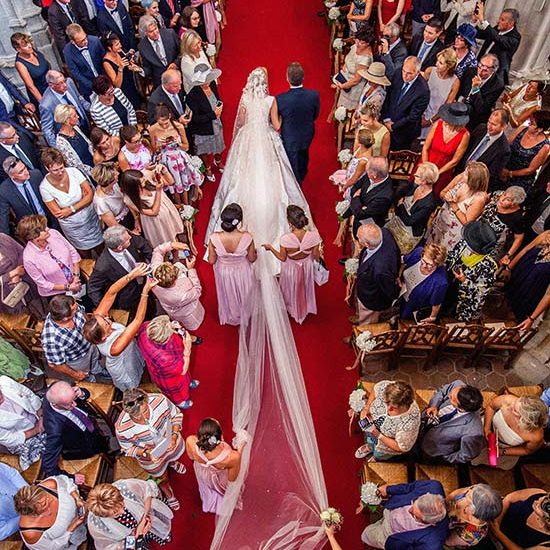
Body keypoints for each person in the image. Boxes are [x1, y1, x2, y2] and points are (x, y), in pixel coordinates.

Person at [115, 388, 186, 509]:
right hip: (150, 456)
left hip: (170, 441)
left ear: (147, 401)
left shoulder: (160, 400)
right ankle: (169, 494)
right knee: (161, 476)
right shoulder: (122, 428)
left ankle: (172, 463)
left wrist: (174, 436)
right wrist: (146, 453)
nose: (143, 418)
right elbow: (127, 449)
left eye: (145, 411)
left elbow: (176, 415)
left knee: (172, 456)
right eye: (137, 417)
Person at [83, 269, 153, 390]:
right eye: (106, 323)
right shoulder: (114, 348)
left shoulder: (97, 321)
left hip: (131, 349)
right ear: (103, 337)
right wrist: (145, 292)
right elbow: (137, 320)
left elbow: (111, 292)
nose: (107, 318)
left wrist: (131, 275)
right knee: (136, 383)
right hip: (124, 366)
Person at [263, 205, 322, 324]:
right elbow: (316, 256)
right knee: (304, 286)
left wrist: (271, 249)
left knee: (291, 288)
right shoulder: (314, 236)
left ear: (290, 222)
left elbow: (282, 258)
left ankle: (292, 307)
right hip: (306, 267)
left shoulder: (285, 239)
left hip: (291, 268)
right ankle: (304, 307)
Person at [39, 148, 103, 255]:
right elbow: (58, 213)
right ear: (47, 168)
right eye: (55, 170)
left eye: (61, 168)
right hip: (74, 229)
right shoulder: (44, 187)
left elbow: (90, 194)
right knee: (84, 254)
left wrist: (70, 209)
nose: (60, 172)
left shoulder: (74, 172)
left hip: (91, 219)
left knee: (102, 248)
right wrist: (83, 201)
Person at [42, 381, 110, 476]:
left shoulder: (56, 388)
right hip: (82, 445)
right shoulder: (55, 429)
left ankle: (106, 447)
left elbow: (85, 394)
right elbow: (48, 466)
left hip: (89, 426)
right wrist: (71, 477)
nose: (74, 405)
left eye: (73, 399)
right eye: (69, 404)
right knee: (98, 447)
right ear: (55, 404)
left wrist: (81, 393)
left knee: (101, 441)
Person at [207, 203, 257, 325]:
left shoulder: (214, 238)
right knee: (244, 292)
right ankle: (245, 312)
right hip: (242, 270)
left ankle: (233, 313)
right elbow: (251, 259)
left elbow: (211, 261)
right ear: (238, 221)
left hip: (224, 271)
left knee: (229, 292)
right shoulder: (247, 237)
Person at [86, 479, 173, 548]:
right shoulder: (96, 525)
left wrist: (145, 515)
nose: (123, 511)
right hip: (131, 538)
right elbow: (109, 546)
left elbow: (147, 492)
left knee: (158, 527)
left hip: (147, 514)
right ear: (104, 516)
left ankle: (164, 535)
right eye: (116, 514)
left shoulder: (125, 487)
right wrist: (135, 536)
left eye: (122, 504)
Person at [361, 480, 448, 548]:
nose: (409, 510)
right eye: (413, 503)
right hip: (392, 507)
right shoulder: (433, 486)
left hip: (392, 533)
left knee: (366, 534)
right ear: (427, 494)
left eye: (415, 516)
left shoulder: (433, 543)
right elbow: (409, 487)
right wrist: (388, 489)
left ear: (432, 523)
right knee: (380, 515)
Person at [186, 418, 247, 514]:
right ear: (221, 437)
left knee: (207, 489)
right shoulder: (232, 457)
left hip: (203, 473)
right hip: (219, 478)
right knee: (225, 492)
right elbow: (232, 479)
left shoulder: (190, 440)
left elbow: (191, 457)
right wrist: (240, 449)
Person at [88, 225, 153, 315]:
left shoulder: (126, 237)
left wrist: (151, 262)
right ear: (119, 247)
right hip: (129, 296)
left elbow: (143, 244)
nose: (131, 237)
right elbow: (93, 288)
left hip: (145, 284)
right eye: (128, 239)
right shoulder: (103, 266)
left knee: (151, 307)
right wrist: (104, 310)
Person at [136, 316, 199, 409]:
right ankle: (180, 401)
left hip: (166, 363)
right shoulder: (164, 358)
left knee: (185, 379)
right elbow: (183, 370)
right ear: (165, 338)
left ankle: (188, 382)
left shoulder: (146, 328)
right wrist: (187, 350)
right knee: (177, 390)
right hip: (169, 377)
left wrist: (171, 326)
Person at [41, 294, 107, 382]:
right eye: (74, 310)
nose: (77, 307)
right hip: (78, 359)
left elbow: (84, 315)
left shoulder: (71, 306)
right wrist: (75, 374)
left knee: (94, 360)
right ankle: (91, 380)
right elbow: (55, 364)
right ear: (65, 318)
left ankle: (97, 370)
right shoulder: (51, 340)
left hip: (90, 345)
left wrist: (91, 332)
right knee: (85, 374)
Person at [473, 394, 547, 470]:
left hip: (502, 447)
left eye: (515, 410)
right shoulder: (508, 400)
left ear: (525, 421)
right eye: (516, 402)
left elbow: (526, 450)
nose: (510, 406)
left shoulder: (536, 436)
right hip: (486, 426)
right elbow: (491, 407)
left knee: (489, 459)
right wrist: (487, 428)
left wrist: (503, 452)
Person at [427, 161, 488, 252]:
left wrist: (453, 204)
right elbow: (442, 193)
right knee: (429, 246)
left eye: (466, 174)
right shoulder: (460, 179)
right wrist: (445, 196)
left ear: (474, 180)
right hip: (441, 220)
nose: (463, 175)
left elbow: (467, 222)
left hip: (452, 232)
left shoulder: (479, 198)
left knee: (438, 254)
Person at [444, 219, 498, 322]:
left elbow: (480, 293)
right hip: (449, 282)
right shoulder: (465, 242)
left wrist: (464, 281)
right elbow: (452, 255)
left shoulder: (489, 267)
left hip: (461, 297)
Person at [14, 475, 87, 550]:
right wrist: (72, 527)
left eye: (46, 496)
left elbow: (67, 483)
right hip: (69, 539)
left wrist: (77, 498)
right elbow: (54, 547)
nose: (49, 500)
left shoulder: (50, 485)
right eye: (44, 504)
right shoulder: (31, 533)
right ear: (33, 514)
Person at [149, 104, 204, 204]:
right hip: (165, 160)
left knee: (183, 183)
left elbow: (186, 146)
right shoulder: (152, 129)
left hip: (179, 158)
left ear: (169, 116)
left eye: (166, 123)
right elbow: (154, 149)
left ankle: (187, 205)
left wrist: (177, 143)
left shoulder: (178, 126)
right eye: (161, 124)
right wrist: (159, 145)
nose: (164, 126)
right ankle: (179, 206)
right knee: (173, 185)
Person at [420, 380, 485, 463]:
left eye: (451, 398)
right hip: (424, 424)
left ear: (461, 408)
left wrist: (446, 458)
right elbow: (442, 391)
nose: (449, 395)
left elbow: (466, 455)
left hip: (432, 449)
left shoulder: (473, 432)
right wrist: (434, 406)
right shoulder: (458, 385)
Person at [276, 62, 321, 184]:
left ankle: (297, 186)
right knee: (302, 158)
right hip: (307, 134)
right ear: (303, 78)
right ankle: (300, 178)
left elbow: (277, 120)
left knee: (293, 163)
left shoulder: (280, 99)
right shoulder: (313, 95)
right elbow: (316, 114)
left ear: (287, 78)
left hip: (290, 137)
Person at [355, 379, 420, 460]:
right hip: (372, 428)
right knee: (370, 440)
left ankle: (376, 457)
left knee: (379, 454)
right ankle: (370, 447)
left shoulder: (410, 423)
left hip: (385, 445)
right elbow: (376, 389)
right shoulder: (389, 388)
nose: (388, 409)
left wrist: (378, 435)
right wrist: (367, 408)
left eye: (394, 408)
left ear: (404, 406)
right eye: (387, 403)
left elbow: (401, 447)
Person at [18, 214, 81, 298]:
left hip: (77, 279)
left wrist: (76, 277)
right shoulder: (29, 258)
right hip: (58, 294)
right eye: (44, 229)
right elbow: (43, 283)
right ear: (34, 237)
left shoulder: (54, 233)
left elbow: (73, 252)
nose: (48, 229)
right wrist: (68, 287)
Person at [120, 168, 184, 248]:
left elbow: (170, 182)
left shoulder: (146, 176)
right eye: (142, 182)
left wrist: (165, 171)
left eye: (143, 179)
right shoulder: (129, 199)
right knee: (164, 243)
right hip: (156, 222)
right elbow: (154, 212)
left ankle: (176, 254)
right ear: (133, 186)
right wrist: (158, 191)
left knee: (174, 236)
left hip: (168, 212)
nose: (145, 181)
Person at [151, 240, 205, 330]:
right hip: (185, 311)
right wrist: (191, 269)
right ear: (174, 279)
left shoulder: (155, 271)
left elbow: (158, 251)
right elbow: (197, 290)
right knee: (192, 322)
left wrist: (172, 245)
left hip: (170, 308)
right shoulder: (181, 295)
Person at [386, 162, 438, 254]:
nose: (414, 175)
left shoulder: (429, 203)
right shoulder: (414, 186)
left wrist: (401, 205)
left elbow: (409, 221)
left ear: (424, 181)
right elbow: (397, 198)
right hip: (398, 220)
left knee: (390, 250)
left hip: (408, 232)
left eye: (417, 176)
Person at [381, 56, 430, 151]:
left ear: (418, 72)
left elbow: (413, 116)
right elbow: (388, 96)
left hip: (403, 132)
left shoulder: (423, 91)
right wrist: (386, 119)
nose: (404, 75)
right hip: (386, 122)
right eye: (404, 71)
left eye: (409, 73)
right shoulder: (398, 73)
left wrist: (393, 126)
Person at [186, 64, 225, 182]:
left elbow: (217, 98)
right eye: (204, 81)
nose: (207, 83)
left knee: (219, 146)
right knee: (205, 151)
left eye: (208, 80)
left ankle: (218, 161)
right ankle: (207, 168)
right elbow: (195, 118)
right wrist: (213, 114)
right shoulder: (192, 96)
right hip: (203, 129)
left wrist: (220, 106)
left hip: (216, 123)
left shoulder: (212, 84)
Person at [456, 108, 511, 192]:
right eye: (489, 122)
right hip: (458, 173)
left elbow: (490, 175)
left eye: (494, 124)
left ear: (504, 126)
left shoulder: (504, 150)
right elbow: (466, 149)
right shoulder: (481, 128)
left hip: (472, 185)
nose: (489, 126)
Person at [355, 223, 400, 324]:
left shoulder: (380, 268)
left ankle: (361, 333)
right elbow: (397, 252)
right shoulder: (385, 233)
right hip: (366, 289)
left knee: (367, 323)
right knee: (362, 314)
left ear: (367, 244)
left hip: (371, 299)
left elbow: (389, 289)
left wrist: (396, 286)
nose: (357, 238)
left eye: (359, 238)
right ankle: (360, 317)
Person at [423, 102, 470, 197]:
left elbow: (455, 161)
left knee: (432, 196)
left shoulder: (465, 135)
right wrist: (426, 167)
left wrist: (436, 173)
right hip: (426, 163)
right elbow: (425, 148)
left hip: (443, 171)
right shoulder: (438, 124)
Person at [0, 157, 57, 235]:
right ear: (12, 176)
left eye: (25, 168)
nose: (26, 172)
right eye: (21, 172)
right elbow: (4, 218)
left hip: (50, 220)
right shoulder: (4, 190)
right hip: (32, 230)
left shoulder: (36, 175)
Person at [506, 231, 550, 330]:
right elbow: (525, 250)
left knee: (512, 321)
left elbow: (548, 294)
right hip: (516, 279)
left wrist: (531, 318)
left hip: (529, 293)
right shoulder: (546, 235)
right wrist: (509, 267)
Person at [0, 375, 45, 470]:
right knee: (43, 455)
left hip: (38, 414)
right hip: (24, 437)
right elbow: (10, 439)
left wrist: (41, 416)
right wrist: (36, 430)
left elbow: (29, 395)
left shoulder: (5, 382)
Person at [341, 156, 394, 238]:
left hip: (369, 227)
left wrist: (356, 198)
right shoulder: (371, 175)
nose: (366, 172)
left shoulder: (384, 197)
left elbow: (360, 214)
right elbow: (354, 188)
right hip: (357, 213)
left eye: (367, 171)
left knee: (359, 240)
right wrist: (360, 205)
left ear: (374, 175)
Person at [39, 70, 91, 147]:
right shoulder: (46, 105)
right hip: (71, 137)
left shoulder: (69, 82)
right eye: (60, 83)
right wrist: (59, 148)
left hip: (85, 124)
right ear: (51, 85)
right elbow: (47, 130)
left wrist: (92, 109)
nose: (65, 85)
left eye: (64, 81)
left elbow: (80, 99)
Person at [0, 232, 46, 317]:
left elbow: (22, 251)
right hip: (6, 292)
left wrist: (18, 273)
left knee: (39, 302)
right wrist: (11, 274)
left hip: (25, 276)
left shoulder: (2, 237)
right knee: (24, 315)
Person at [472, 5, 521, 85]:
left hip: (494, 77)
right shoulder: (496, 29)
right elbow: (479, 34)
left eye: (502, 20)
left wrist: (483, 21)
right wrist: (476, 21)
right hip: (479, 67)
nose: (498, 22)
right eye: (499, 18)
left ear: (511, 23)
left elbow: (498, 39)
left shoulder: (515, 38)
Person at [503, 111, 550, 193]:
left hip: (520, 179)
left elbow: (530, 170)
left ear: (540, 129)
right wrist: (501, 167)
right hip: (504, 168)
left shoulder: (545, 146)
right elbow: (507, 146)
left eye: (532, 123)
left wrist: (509, 173)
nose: (529, 124)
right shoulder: (522, 129)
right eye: (530, 121)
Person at [399, 243, 448, 322]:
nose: (424, 266)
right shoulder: (418, 252)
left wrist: (432, 317)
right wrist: (397, 276)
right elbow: (403, 260)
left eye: (430, 265)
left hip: (412, 305)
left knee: (403, 320)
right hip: (400, 291)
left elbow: (436, 302)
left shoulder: (440, 282)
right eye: (423, 261)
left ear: (438, 264)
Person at [420, 48, 460, 139]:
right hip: (420, 112)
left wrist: (430, 121)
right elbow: (419, 94)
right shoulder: (429, 71)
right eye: (437, 61)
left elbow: (447, 107)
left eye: (441, 63)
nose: (436, 64)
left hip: (437, 118)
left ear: (449, 66)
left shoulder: (455, 82)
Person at [459, 54, 505, 131]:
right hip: (459, 107)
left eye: (486, 69)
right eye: (480, 66)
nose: (480, 71)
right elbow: (460, 91)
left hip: (474, 116)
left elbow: (482, 108)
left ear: (493, 70)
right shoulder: (470, 71)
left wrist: (476, 89)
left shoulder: (497, 85)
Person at [480, 186, 526, 263]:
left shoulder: (517, 218)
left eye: (508, 199)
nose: (502, 199)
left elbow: (519, 238)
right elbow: (486, 199)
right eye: (504, 194)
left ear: (513, 204)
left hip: (490, 246)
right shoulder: (497, 195)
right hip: (477, 232)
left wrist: (508, 255)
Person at [333, 29, 374, 112]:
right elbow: (349, 58)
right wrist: (344, 67)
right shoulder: (356, 46)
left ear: (368, 43)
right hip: (345, 78)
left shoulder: (365, 59)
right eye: (357, 40)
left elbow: (356, 80)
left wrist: (342, 86)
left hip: (353, 88)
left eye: (361, 43)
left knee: (346, 111)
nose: (357, 44)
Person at [91, 161, 138, 230]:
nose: (118, 173)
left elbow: (126, 201)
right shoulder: (101, 202)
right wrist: (133, 233)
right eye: (115, 174)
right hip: (121, 225)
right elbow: (114, 226)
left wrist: (136, 219)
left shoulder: (114, 184)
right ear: (109, 180)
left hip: (129, 213)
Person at [102, 31, 143, 109]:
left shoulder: (120, 51)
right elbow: (117, 85)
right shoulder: (106, 63)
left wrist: (132, 64)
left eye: (119, 43)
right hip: (124, 91)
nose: (120, 46)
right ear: (109, 48)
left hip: (133, 84)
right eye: (117, 44)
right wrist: (120, 69)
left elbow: (129, 65)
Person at [63, 24, 104, 101]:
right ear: (73, 42)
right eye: (81, 41)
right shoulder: (67, 52)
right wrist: (93, 86)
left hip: (104, 80)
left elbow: (104, 60)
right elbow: (75, 73)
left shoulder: (95, 41)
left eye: (85, 38)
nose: (85, 42)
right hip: (88, 88)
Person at [138, 15, 180, 88]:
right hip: (161, 82)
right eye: (151, 31)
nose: (155, 33)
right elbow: (148, 68)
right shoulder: (142, 46)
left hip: (178, 75)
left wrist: (176, 63)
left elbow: (182, 52)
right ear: (145, 33)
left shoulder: (170, 34)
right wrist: (140, 70)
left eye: (155, 29)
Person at [11, 33, 51, 108]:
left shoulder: (33, 52)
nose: (30, 46)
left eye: (29, 42)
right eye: (25, 45)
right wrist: (44, 104)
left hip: (51, 87)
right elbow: (31, 87)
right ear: (18, 49)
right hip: (42, 94)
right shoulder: (20, 64)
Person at [54, 104, 94, 178]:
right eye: (75, 116)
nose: (78, 117)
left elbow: (89, 144)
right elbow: (75, 165)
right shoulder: (61, 143)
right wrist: (95, 172)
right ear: (66, 121)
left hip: (94, 162)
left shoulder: (76, 128)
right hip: (86, 175)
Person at [0, 70, 36, 135]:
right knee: (27, 135)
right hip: (4, 119)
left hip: (13, 111)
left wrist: (25, 102)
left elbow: (9, 86)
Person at [0, 463, 27, 541]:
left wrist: (25, 490)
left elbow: (10, 473)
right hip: (25, 522)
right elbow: (4, 529)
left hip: (27, 493)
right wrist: (26, 516)